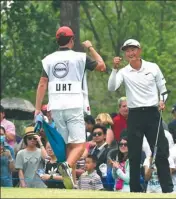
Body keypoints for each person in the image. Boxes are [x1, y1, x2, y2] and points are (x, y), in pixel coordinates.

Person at [35, 26, 106, 189]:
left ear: (57, 41)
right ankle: (66, 167)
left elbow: (42, 83)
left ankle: (71, 184)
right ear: (72, 40)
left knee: (68, 146)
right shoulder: (80, 57)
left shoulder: (49, 59)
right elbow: (102, 66)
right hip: (73, 105)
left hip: (56, 108)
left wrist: (38, 109)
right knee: (80, 145)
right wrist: (90, 47)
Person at [108, 39, 173, 193]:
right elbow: (112, 87)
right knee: (135, 153)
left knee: (161, 151)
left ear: (140, 50)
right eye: (127, 51)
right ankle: (135, 191)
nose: (131, 53)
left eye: (133, 49)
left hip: (153, 113)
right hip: (135, 115)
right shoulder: (123, 71)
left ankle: (168, 190)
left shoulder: (152, 67)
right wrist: (114, 69)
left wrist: (162, 101)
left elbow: (163, 90)